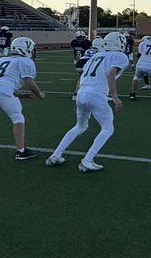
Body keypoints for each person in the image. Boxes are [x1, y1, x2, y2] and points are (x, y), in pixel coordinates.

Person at [46, 32, 130, 172]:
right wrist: (115, 96)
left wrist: (79, 95)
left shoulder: (95, 55)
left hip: (82, 93)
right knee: (108, 128)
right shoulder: (120, 56)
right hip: (96, 95)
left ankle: (55, 155)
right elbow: (111, 74)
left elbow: (82, 76)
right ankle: (87, 160)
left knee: (79, 126)